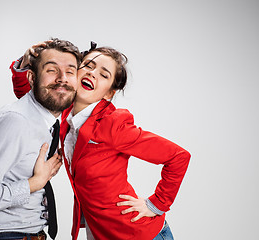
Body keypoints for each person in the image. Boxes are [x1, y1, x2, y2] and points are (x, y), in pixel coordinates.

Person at [10, 41, 191, 239]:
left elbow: (178, 157)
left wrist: (156, 204)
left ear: (109, 93)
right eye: (88, 65)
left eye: (104, 75)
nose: (92, 73)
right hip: (100, 232)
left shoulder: (113, 124)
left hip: (137, 234)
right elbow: (31, 100)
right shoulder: (64, 113)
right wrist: (24, 64)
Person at [0, 38, 82, 240]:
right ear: (32, 78)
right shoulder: (15, 122)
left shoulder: (45, 118)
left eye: (70, 71)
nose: (62, 78)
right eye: (51, 70)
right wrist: (34, 183)